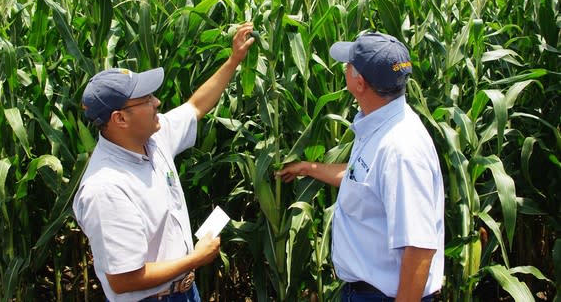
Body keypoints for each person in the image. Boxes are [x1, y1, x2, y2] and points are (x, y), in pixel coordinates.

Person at [73, 23, 255, 302]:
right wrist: (195, 258)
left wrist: (234, 60)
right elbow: (124, 280)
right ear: (120, 119)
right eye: (146, 99)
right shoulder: (106, 188)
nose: (157, 102)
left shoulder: (153, 138)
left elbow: (195, 106)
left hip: (183, 291)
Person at [277, 33, 444, 301]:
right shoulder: (380, 126)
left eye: (348, 64)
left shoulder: (401, 149)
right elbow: (363, 179)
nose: (343, 68)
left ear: (360, 82)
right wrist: (308, 168)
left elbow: (420, 248)